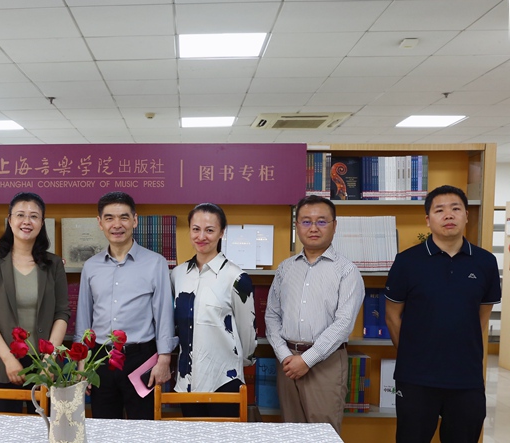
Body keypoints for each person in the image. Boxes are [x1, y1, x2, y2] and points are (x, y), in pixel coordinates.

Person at [385, 185, 501, 443]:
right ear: (428, 220)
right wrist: (413, 355)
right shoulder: (407, 262)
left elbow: (481, 318)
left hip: (466, 378)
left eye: (455, 208)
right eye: (439, 210)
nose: (448, 215)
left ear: (466, 216)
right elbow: (392, 316)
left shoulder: (485, 262)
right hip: (416, 378)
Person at [264, 195, 364, 434]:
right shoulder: (285, 268)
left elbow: (343, 324)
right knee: (291, 432)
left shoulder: (347, 271)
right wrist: (285, 356)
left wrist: (307, 360)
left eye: (321, 221)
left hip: (326, 364)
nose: (313, 228)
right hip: (288, 363)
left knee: (322, 434)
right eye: (306, 222)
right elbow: (271, 316)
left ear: (334, 225)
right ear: (297, 226)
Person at [75, 191, 177, 420]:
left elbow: (164, 315)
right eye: (109, 218)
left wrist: (164, 359)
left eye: (123, 217)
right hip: (100, 359)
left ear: (135, 220)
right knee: (103, 426)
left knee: (143, 428)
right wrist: (82, 364)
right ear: (100, 223)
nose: (117, 225)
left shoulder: (155, 263)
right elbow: (84, 318)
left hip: (141, 359)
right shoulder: (91, 266)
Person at [0, 192, 70, 413]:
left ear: (42, 223)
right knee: (8, 428)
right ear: (10, 220)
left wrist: (49, 359)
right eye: (20, 215)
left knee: (46, 426)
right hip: (3, 363)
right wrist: (8, 359)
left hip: (45, 363)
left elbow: (62, 313)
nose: (27, 221)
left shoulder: (54, 264)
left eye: (34, 216)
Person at [171, 203, 257, 417]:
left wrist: (239, 362)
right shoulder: (177, 275)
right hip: (187, 382)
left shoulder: (236, 278)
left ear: (221, 233)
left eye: (209, 230)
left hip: (224, 380)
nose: (201, 236)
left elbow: (247, 334)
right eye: (196, 229)